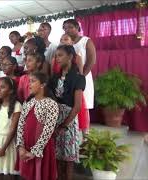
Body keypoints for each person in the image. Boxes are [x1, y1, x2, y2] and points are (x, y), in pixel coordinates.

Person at [48, 45, 85, 180]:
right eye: (56, 55)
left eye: (60, 55)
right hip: (56, 116)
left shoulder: (78, 78)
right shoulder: (55, 77)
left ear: (70, 57)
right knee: (57, 155)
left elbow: (77, 106)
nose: (57, 58)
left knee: (68, 157)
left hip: (69, 119)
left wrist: (64, 125)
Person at [16, 72, 59, 180]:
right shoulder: (28, 102)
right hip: (26, 145)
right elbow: (21, 124)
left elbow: (48, 130)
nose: (29, 84)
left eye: (33, 81)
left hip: (41, 148)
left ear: (43, 84)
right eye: (29, 81)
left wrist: (35, 151)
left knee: (40, 174)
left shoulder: (51, 104)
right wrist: (21, 146)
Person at [63, 19, 96, 130]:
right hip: (68, 79)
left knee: (83, 105)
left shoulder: (86, 41)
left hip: (83, 77)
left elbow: (91, 60)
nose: (67, 30)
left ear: (77, 28)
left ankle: (86, 136)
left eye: (70, 27)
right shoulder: (64, 42)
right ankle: (72, 131)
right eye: (65, 28)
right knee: (70, 104)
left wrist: (80, 78)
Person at [0, 77, 21, 179]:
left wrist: (3, 148)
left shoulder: (17, 105)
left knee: (8, 172)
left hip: (8, 143)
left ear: (11, 90)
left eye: (3, 87)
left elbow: (12, 129)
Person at [18, 37, 49, 102]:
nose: (24, 50)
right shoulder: (24, 78)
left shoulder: (44, 64)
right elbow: (20, 94)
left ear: (35, 48)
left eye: (26, 48)